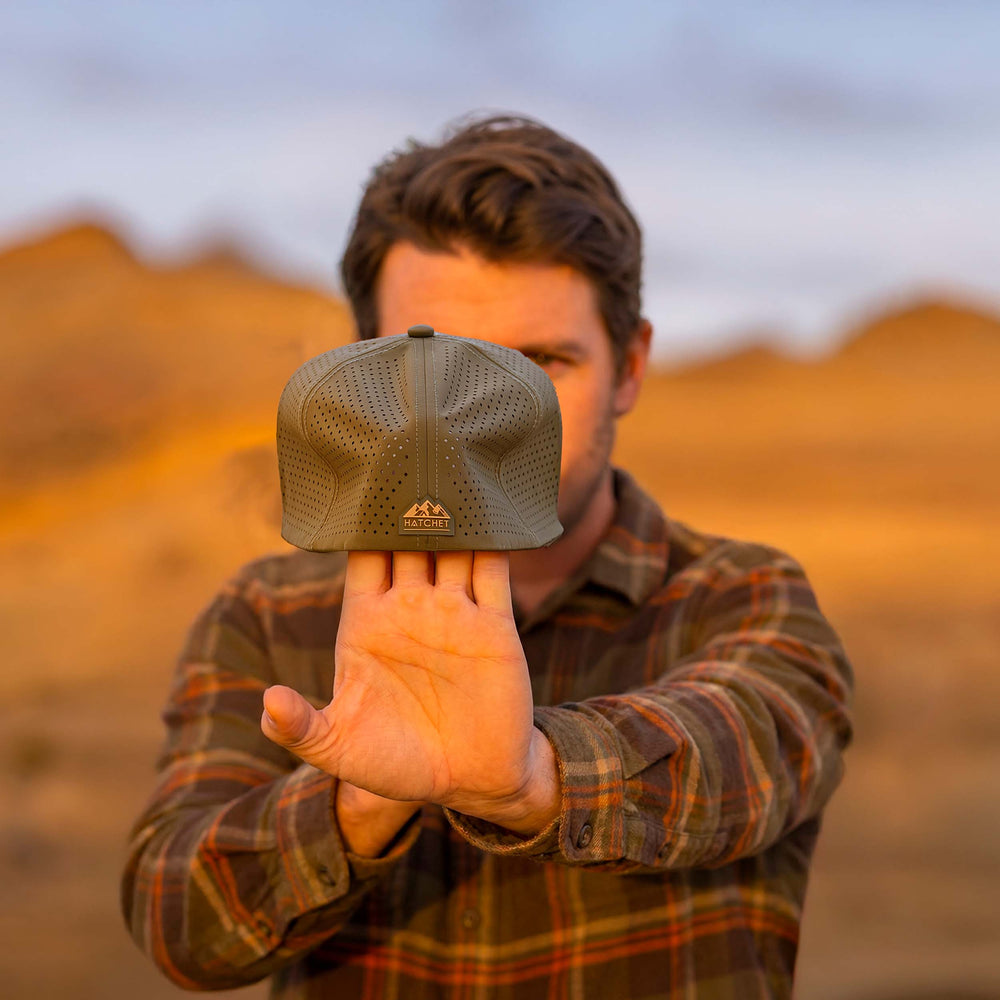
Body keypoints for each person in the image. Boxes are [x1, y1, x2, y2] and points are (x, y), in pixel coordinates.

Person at [122, 114, 853, 999]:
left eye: (540, 362)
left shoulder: (742, 598)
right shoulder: (271, 615)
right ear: (365, 369)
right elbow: (180, 922)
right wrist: (358, 802)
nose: (485, 423)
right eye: (440, 367)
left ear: (629, 366)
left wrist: (533, 777)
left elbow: (754, 752)